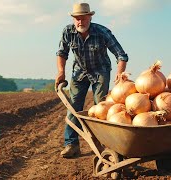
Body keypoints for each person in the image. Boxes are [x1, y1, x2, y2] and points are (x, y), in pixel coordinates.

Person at [55, 3, 128, 158]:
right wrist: (61, 72)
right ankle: (71, 144)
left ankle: (104, 144)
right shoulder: (68, 31)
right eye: (77, 18)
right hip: (79, 73)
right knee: (73, 108)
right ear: (73, 19)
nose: (80, 21)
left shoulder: (102, 32)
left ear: (90, 17)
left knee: (101, 108)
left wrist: (120, 73)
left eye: (83, 18)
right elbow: (62, 52)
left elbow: (121, 55)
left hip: (100, 71)